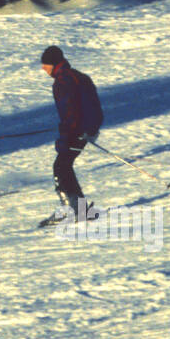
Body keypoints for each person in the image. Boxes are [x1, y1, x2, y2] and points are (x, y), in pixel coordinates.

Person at [41, 46, 103, 220]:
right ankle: (79, 208)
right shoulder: (77, 75)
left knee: (60, 166)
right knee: (64, 165)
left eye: (45, 64)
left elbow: (70, 112)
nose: (43, 68)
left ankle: (71, 209)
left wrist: (65, 137)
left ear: (54, 64)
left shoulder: (63, 81)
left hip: (78, 130)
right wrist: (92, 128)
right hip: (87, 128)